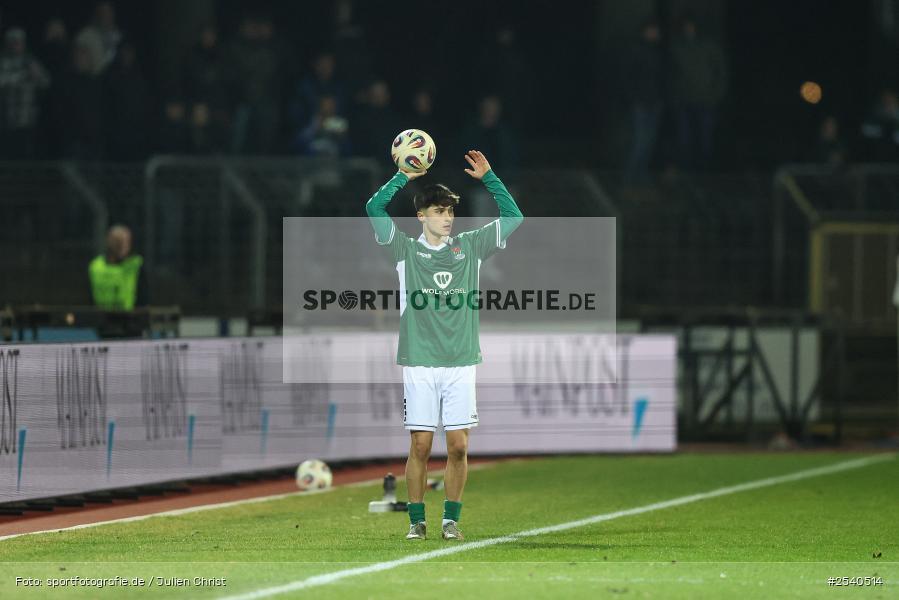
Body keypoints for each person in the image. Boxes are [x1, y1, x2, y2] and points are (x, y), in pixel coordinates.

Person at [365, 150, 524, 541]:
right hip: (419, 361)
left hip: (460, 362)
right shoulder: (404, 251)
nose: (448, 217)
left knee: (457, 447)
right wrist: (403, 176)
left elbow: (514, 218)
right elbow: (374, 207)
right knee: (420, 445)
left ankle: (450, 520)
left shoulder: (470, 247)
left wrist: (490, 178)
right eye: (439, 211)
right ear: (422, 216)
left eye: (451, 211)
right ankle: (416, 520)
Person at [671, 12, 728, 170]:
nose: (688, 29)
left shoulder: (709, 46)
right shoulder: (678, 46)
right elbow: (672, 73)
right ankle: (687, 171)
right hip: (684, 99)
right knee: (684, 139)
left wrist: (716, 94)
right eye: (686, 26)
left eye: (691, 25)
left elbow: (721, 72)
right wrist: (675, 95)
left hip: (706, 100)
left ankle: (704, 171)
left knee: (705, 139)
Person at [0, 28, 51, 159]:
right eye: (13, 42)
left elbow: (45, 82)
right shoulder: (3, 62)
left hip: (27, 119)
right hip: (6, 119)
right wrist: (20, 76)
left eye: (19, 42)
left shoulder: (31, 62)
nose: (16, 45)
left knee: (25, 156)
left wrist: (35, 75)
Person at [624, 19, 663, 183]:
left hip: (655, 102)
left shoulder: (658, 51)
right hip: (640, 102)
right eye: (652, 30)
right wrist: (634, 98)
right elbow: (628, 77)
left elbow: (662, 77)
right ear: (645, 32)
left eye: (656, 31)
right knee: (640, 140)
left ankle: (642, 174)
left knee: (650, 140)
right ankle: (631, 175)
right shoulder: (636, 50)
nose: (655, 34)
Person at [89, 224, 147, 310]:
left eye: (126, 241)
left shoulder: (136, 266)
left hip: (129, 320)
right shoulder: (95, 267)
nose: (122, 245)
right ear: (108, 241)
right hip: (101, 319)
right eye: (118, 241)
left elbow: (144, 300)